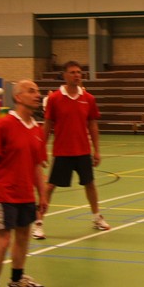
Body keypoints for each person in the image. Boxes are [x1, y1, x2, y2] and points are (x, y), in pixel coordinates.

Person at [0, 79, 48, 287]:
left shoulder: (37, 129)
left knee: (23, 237)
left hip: (26, 194)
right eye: (32, 91)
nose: (37, 95)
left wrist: (42, 194)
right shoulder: (3, 126)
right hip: (4, 194)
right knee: (3, 240)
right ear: (18, 97)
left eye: (38, 91)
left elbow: (37, 165)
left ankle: (17, 280)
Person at [33, 61, 109, 239]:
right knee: (50, 187)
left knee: (90, 184)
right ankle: (38, 223)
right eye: (73, 72)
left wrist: (97, 150)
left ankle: (96, 217)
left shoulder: (88, 98)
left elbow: (92, 125)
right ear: (65, 75)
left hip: (83, 151)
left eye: (79, 72)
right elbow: (47, 126)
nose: (77, 75)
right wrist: (41, 150)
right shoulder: (54, 99)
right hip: (62, 152)